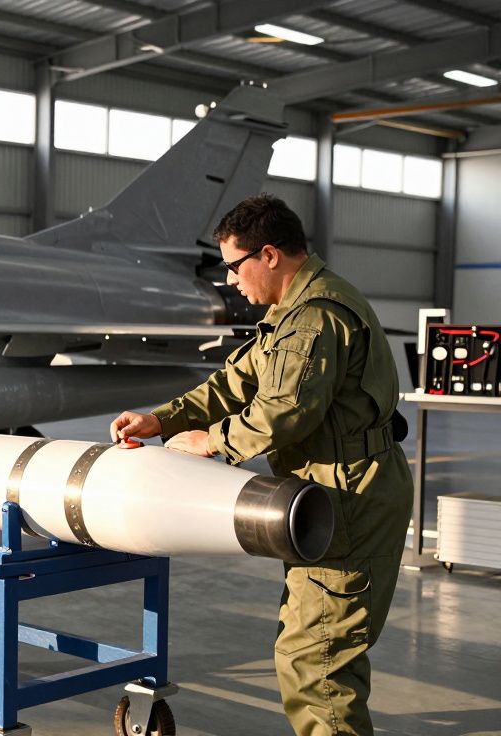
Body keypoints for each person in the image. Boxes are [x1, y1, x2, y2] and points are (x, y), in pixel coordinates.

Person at [109, 194, 412, 736]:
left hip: (348, 498)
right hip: (330, 489)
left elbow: (284, 412)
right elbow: (235, 382)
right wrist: (163, 420)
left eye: (233, 266)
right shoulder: (292, 312)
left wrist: (212, 442)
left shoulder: (315, 317)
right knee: (312, 649)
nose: (230, 280)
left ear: (268, 255)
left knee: (316, 666)